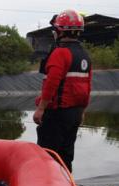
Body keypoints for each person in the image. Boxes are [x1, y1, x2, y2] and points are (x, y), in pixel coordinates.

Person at [33, 9, 92, 173]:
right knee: (66, 156)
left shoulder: (60, 53)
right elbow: (88, 86)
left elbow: (51, 83)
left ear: (60, 31)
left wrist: (40, 108)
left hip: (56, 114)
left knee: (49, 156)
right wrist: (82, 112)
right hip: (75, 113)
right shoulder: (84, 55)